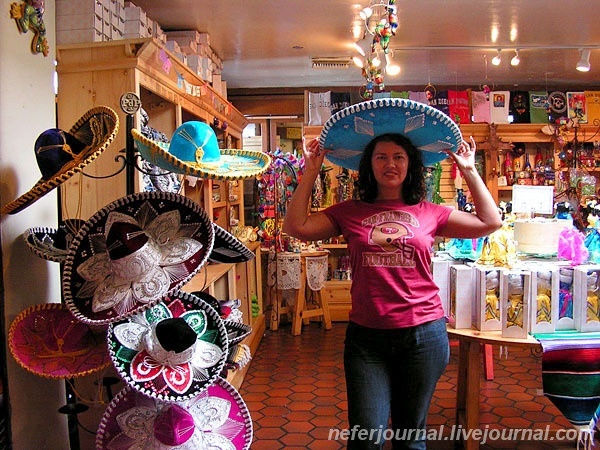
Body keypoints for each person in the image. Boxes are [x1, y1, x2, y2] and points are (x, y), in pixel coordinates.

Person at [282, 101, 502, 450]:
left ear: (411, 165)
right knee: (367, 436)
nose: (390, 164)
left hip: (424, 335)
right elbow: (296, 226)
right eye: (381, 157)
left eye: (398, 157)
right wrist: (310, 171)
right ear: (368, 166)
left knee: (410, 437)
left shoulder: (430, 212)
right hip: (367, 340)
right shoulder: (349, 211)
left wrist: (470, 171)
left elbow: (490, 222)